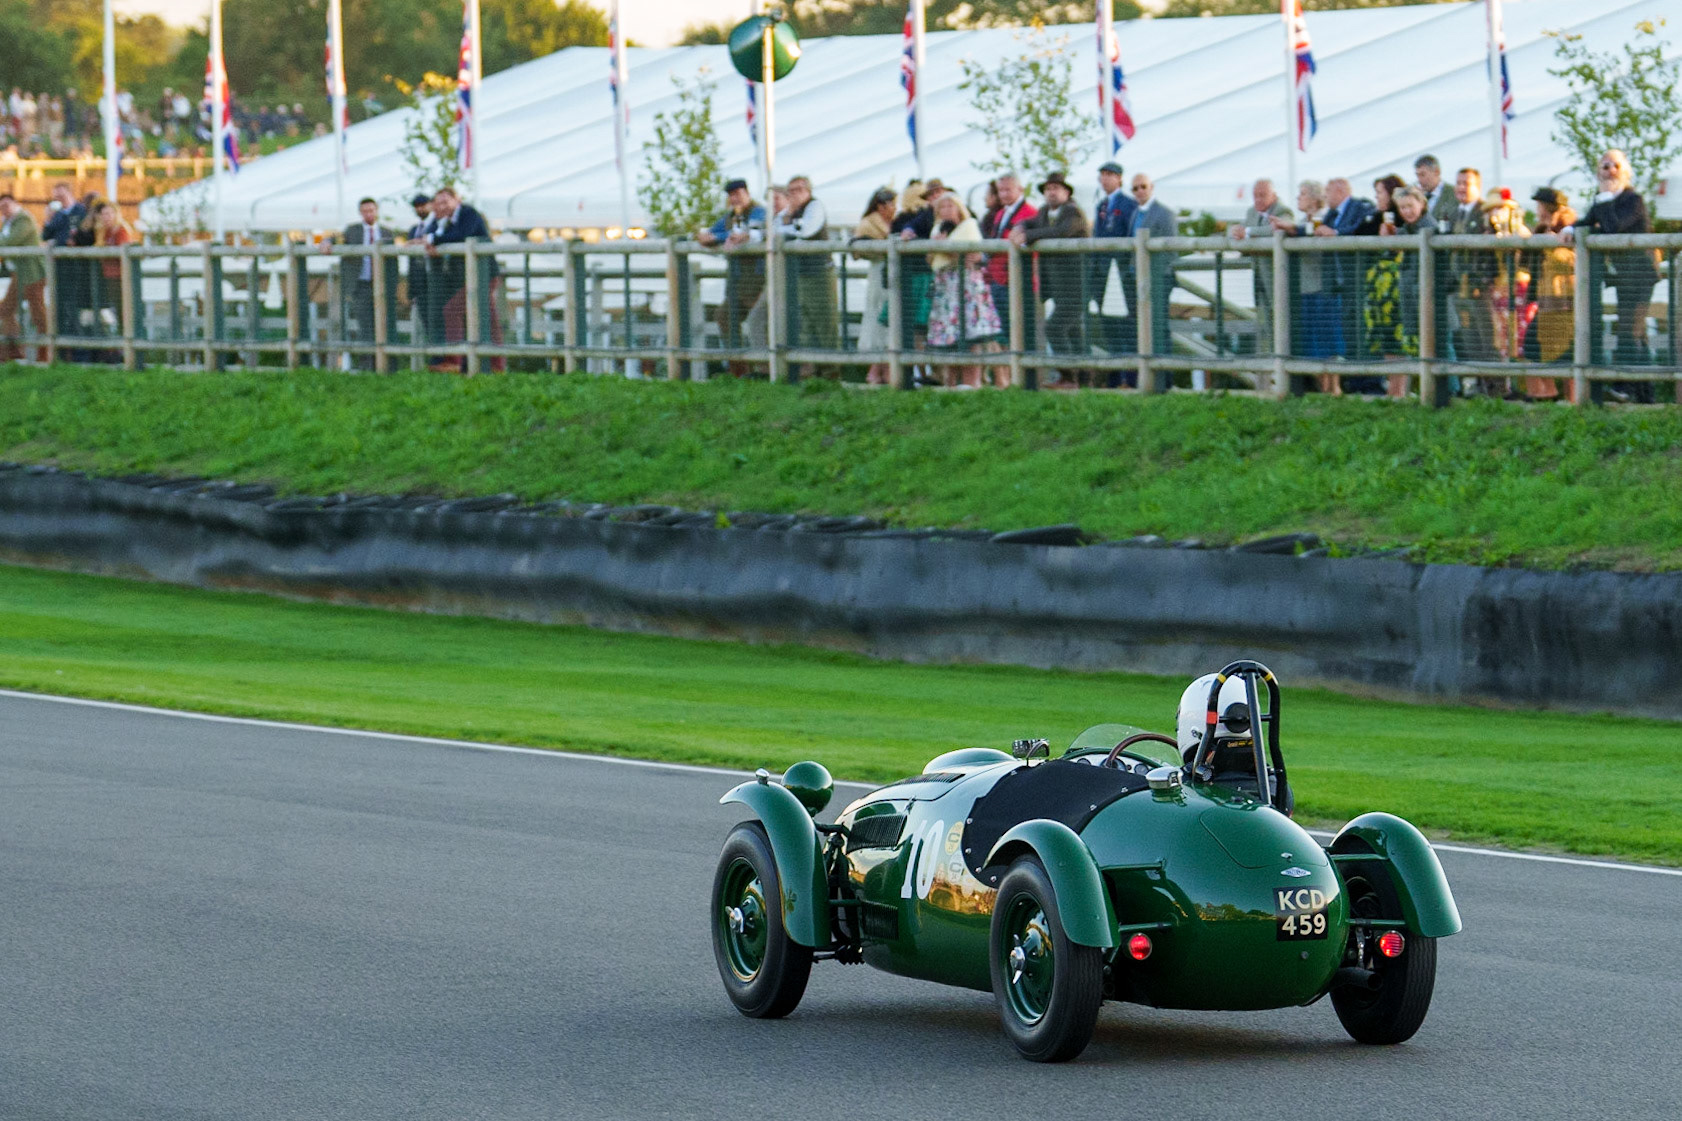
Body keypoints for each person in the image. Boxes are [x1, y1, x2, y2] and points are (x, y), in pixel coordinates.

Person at [1563, 149, 1659, 396]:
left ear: (1624, 170)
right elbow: (1587, 221)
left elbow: (1614, 227)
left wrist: (1604, 199)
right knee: (1634, 331)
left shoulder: (1632, 200)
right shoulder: (1602, 199)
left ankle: (1626, 387)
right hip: (1622, 275)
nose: (1609, 170)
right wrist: (1569, 229)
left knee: (1630, 330)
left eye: (1614, 165)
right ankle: (1644, 392)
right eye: (1604, 166)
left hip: (1640, 275)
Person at [1011, 171, 1090, 386]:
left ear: (1066, 192)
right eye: (1048, 189)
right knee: (1073, 332)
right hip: (1059, 285)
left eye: (1056, 188)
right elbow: (1033, 222)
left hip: (1076, 284)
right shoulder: (1046, 211)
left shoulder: (1073, 213)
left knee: (1055, 327)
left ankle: (1067, 376)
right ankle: (1082, 380)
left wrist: (1029, 236)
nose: (1051, 192)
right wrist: (1020, 227)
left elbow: (1062, 231)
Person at [926, 192, 1001, 388]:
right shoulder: (937, 229)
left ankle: (973, 382)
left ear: (959, 208)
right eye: (942, 207)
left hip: (968, 287)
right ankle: (949, 383)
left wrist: (946, 248)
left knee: (972, 336)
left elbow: (973, 255)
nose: (946, 210)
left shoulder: (969, 227)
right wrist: (936, 248)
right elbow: (932, 258)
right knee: (949, 336)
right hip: (945, 287)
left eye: (950, 206)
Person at [426, 186, 502, 373]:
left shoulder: (469, 214)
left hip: (483, 275)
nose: (442, 206)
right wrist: (432, 235)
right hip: (470, 277)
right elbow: (432, 233)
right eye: (438, 203)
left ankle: (454, 360)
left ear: (456, 200)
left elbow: (461, 235)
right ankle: (496, 365)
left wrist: (434, 239)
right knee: (489, 318)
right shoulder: (445, 221)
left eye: (445, 201)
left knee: (452, 310)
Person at [698, 178, 766, 375]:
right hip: (737, 283)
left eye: (738, 194)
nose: (734, 199)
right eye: (731, 195)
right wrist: (713, 237)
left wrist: (719, 237)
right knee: (724, 316)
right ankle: (739, 367)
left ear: (747, 193)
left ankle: (765, 368)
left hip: (758, 280)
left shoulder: (759, 212)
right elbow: (712, 233)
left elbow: (747, 233)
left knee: (759, 321)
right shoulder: (729, 217)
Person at [1352, 174, 1411, 394]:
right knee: (1385, 339)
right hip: (1379, 289)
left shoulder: (1405, 220)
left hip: (1398, 287)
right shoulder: (1376, 218)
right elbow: (1357, 232)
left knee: (1399, 339)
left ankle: (1400, 389)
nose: (1376, 197)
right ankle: (1393, 389)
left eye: (1380, 192)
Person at [776, 175, 837, 376]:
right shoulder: (789, 212)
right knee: (804, 323)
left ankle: (830, 372)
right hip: (799, 275)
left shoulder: (815, 206)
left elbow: (807, 230)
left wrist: (786, 226)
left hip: (819, 273)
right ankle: (809, 370)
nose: (794, 194)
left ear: (809, 191)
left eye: (799, 190)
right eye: (790, 191)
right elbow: (773, 229)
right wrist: (788, 219)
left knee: (824, 323)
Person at [1523, 186, 1577, 400]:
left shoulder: (1570, 228)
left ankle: (1571, 398)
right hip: (1546, 299)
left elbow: (1571, 261)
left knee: (1565, 351)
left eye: (1544, 206)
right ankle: (1546, 392)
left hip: (1566, 299)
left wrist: (1552, 242)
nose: (1540, 211)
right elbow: (1528, 264)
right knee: (1534, 346)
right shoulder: (1542, 228)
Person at [1229, 178, 1292, 355]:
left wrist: (1248, 233)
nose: (1258, 200)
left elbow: (1278, 228)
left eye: (1262, 195)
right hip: (1258, 277)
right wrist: (1237, 232)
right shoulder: (1251, 212)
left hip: (1277, 278)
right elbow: (1238, 230)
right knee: (1265, 321)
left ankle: (1283, 361)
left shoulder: (1282, 210)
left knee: (1281, 320)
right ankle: (1271, 360)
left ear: (1274, 195)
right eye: (1255, 196)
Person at [1124, 172, 1176, 381]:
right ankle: (1144, 378)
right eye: (1135, 188)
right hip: (1136, 280)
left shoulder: (1165, 213)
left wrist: (1158, 277)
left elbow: (1171, 250)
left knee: (1159, 329)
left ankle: (1165, 379)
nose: (1139, 191)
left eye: (1143, 187)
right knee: (1140, 328)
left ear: (1151, 187)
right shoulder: (1135, 213)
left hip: (1159, 280)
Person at [979, 172, 1035, 357]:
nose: (1003, 194)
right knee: (1007, 330)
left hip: (1018, 281)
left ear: (1020, 189)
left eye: (1008, 189)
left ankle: (1028, 374)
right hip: (998, 280)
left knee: (1023, 329)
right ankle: (1015, 373)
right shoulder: (1000, 214)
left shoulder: (1031, 213)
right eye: (1000, 190)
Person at [337, 197, 396, 370]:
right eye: (365, 211)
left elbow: (393, 263)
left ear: (376, 211)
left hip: (382, 285)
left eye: (371, 210)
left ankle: (388, 366)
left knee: (385, 324)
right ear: (360, 213)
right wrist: (326, 243)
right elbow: (337, 239)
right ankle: (367, 366)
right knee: (365, 326)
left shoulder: (386, 232)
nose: (368, 214)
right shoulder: (352, 231)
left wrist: (392, 285)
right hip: (361, 284)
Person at [1445, 168, 1495, 371]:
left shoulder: (1486, 212)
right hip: (1459, 288)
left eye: (1467, 183)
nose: (1461, 188)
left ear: (1478, 186)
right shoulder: (1452, 213)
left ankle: (1496, 387)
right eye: (1458, 183)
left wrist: (1485, 282)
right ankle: (1476, 383)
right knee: (1467, 337)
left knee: (1487, 336)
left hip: (1481, 288)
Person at [1090, 161, 1136, 372]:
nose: (1105, 179)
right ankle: (1115, 372)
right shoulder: (1100, 205)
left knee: (1126, 322)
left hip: (1121, 271)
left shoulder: (1128, 204)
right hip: (1102, 270)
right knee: (1107, 321)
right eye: (1103, 175)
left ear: (1119, 178)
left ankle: (1130, 371)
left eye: (1110, 175)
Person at [850, 187, 897, 385]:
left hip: (891, 273)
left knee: (888, 317)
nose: (895, 208)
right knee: (878, 315)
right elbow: (858, 249)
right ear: (881, 205)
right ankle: (875, 369)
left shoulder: (891, 223)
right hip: (880, 274)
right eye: (892, 204)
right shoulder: (869, 224)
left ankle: (886, 369)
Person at [1382, 186, 1431, 366]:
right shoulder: (1407, 229)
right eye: (1402, 207)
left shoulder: (1428, 226)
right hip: (1413, 294)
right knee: (1420, 343)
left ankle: (1450, 389)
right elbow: (1392, 251)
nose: (1407, 211)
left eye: (1410, 206)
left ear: (1422, 203)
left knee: (1439, 344)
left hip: (1428, 298)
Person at [0, 192, 47, 362]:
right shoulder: (8, 222)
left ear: (15, 204)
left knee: (39, 314)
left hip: (32, 274)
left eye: (6, 205)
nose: (4, 210)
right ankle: (12, 350)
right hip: (19, 274)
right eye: (1, 207)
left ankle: (47, 353)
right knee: (6, 310)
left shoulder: (24, 220)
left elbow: (10, 242)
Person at [41, 182, 88, 343]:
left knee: (74, 305)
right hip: (59, 266)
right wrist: (48, 220)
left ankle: (79, 345)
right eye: (56, 196)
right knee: (60, 306)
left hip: (77, 267)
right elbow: (46, 236)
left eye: (61, 195)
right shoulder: (58, 215)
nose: (58, 199)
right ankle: (61, 347)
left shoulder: (81, 211)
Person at [90, 200, 131, 362]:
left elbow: (121, 253)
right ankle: (117, 348)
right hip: (109, 277)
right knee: (114, 312)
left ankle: (127, 349)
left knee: (123, 312)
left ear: (116, 214)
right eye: (103, 214)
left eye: (109, 213)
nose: (106, 217)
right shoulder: (104, 232)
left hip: (121, 278)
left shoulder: (121, 231)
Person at [405, 193, 438, 348]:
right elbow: (411, 262)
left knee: (440, 322)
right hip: (420, 285)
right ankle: (436, 357)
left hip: (437, 282)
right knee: (427, 323)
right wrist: (412, 291)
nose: (420, 208)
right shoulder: (413, 230)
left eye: (423, 205)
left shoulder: (438, 225)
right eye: (417, 206)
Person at [1414, 155, 1457, 224]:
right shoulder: (1418, 195)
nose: (1419, 180)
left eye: (1423, 175)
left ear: (1437, 172)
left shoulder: (1454, 193)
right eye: (1417, 175)